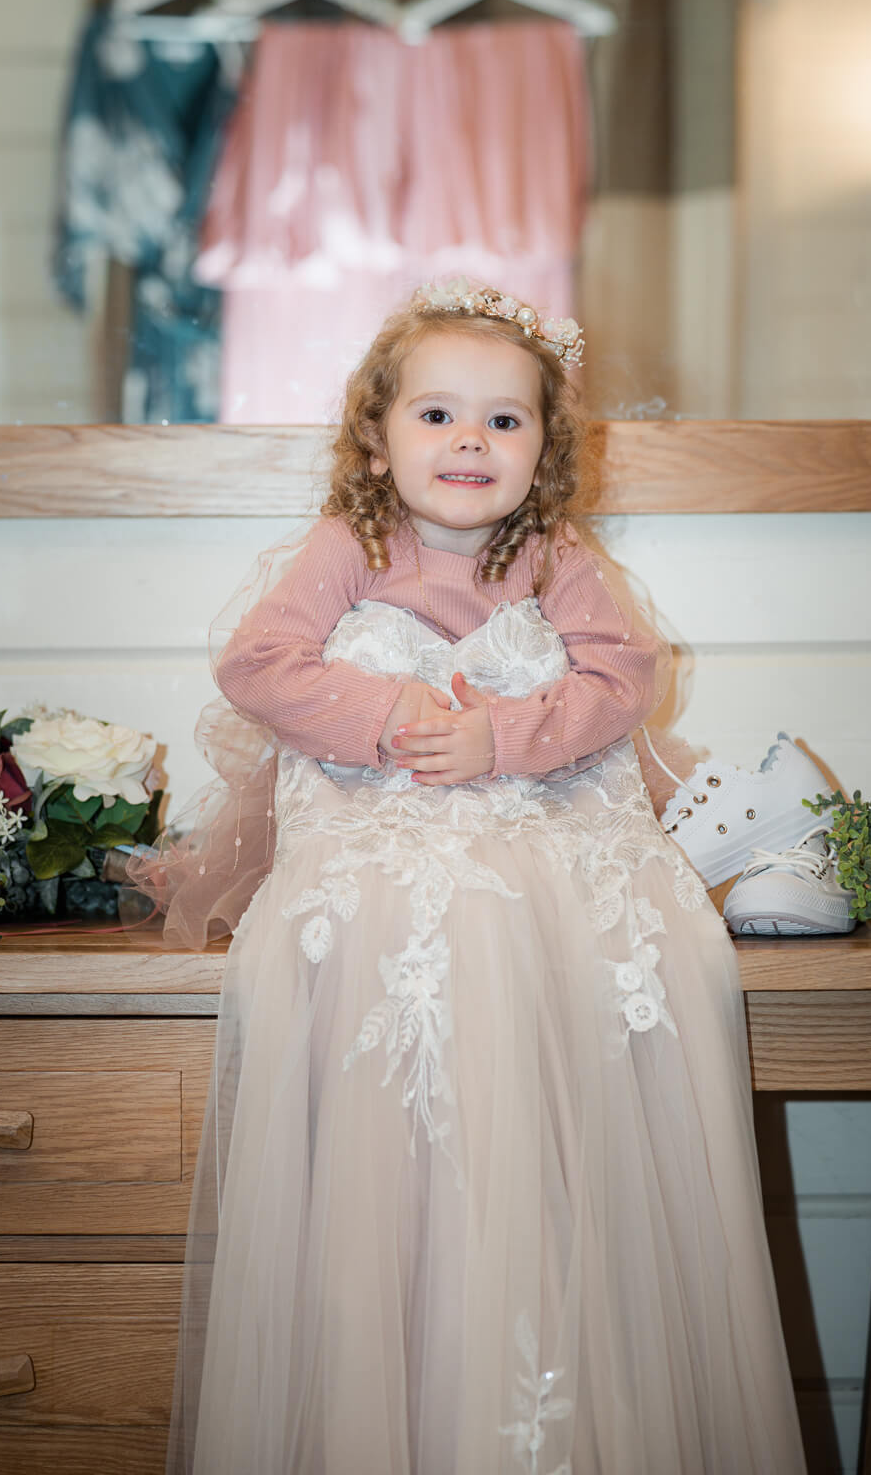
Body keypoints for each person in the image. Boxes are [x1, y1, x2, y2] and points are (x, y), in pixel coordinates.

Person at [150, 277, 808, 1474]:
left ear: (544, 448)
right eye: (438, 415)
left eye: (505, 421)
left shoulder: (550, 553)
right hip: (378, 836)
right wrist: (390, 708)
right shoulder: (347, 546)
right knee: (394, 951)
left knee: (602, 947)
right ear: (376, 435)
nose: (469, 442)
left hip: (536, 829)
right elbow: (261, 664)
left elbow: (622, 678)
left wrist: (500, 734)